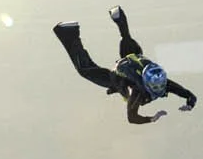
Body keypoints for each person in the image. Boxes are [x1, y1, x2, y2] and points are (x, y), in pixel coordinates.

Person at [54, 8, 194, 124]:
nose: (159, 88)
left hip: (133, 57)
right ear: (146, 81)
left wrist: (190, 104)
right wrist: (152, 118)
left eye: (160, 84)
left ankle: (118, 15)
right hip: (116, 76)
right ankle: (68, 33)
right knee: (85, 70)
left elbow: (188, 94)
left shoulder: (164, 83)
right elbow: (132, 118)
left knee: (127, 40)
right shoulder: (138, 93)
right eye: (156, 86)